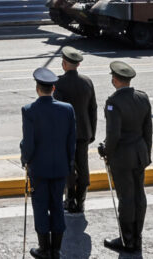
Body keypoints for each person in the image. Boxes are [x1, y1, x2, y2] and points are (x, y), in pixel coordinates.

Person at [20, 67, 76, 259]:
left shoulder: (29, 111)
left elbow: (29, 143)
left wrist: (24, 159)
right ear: (53, 88)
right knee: (58, 207)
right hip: (60, 168)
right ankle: (56, 249)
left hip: (39, 169)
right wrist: (69, 163)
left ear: (37, 88)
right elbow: (71, 141)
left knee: (41, 207)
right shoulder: (67, 109)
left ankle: (44, 249)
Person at [99, 61, 153, 254]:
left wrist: (105, 151)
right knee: (139, 196)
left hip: (122, 157)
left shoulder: (113, 102)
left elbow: (113, 135)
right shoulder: (142, 97)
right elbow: (148, 130)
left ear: (115, 79)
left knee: (126, 198)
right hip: (140, 154)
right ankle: (137, 236)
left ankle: (127, 239)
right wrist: (147, 154)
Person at [54, 47, 97, 214]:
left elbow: (58, 112)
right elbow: (93, 109)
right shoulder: (87, 81)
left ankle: (70, 199)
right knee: (83, 167)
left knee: (69, 168)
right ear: (78, 64)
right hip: (84, 132)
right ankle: (81, 201)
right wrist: (91, 132)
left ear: (64, 64)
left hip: (67, 134)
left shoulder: (58, 84)